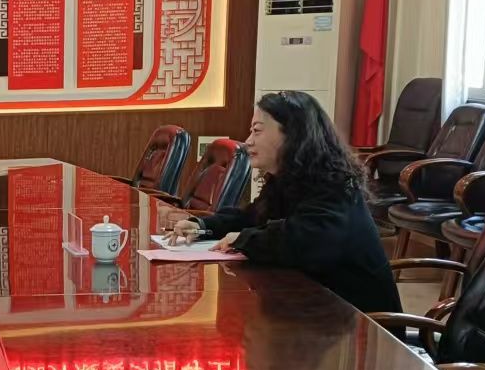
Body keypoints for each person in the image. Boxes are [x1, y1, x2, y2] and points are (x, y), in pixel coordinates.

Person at [163, 90, 401, 314]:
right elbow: (253, 216)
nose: (248, 141)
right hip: (315, 312)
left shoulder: (332, 184)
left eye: (257, 131)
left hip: (361, 325)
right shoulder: (288, 178)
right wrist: (203, 226)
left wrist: (244, 239)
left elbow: (304, 241)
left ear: (292, 135)